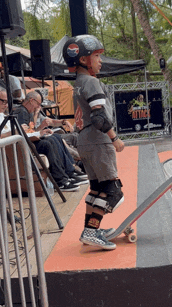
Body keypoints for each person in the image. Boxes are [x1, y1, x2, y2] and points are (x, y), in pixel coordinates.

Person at [63, 34, 125, 250]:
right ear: (83, 60)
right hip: (98, 142)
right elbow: (99, 118)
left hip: (84, 141)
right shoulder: (91, 82)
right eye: (97, 56)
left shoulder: (77, 85)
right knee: (112, 191)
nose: (101, 61)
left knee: (96, 189)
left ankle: (89, 230)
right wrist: (114, 138)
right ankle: (91, 231)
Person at [12, 90, 85, 191]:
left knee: (56, 137)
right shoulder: (21, 112)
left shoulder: (27, 112)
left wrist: (41, 130)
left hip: (31, 141)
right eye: (38, 104)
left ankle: (69, 172)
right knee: (48, 143)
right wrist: (40, 132)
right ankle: (61, 180)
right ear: (31, 101)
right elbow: (22, 133)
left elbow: (30, 131)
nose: (38, 107)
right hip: (25, 145)